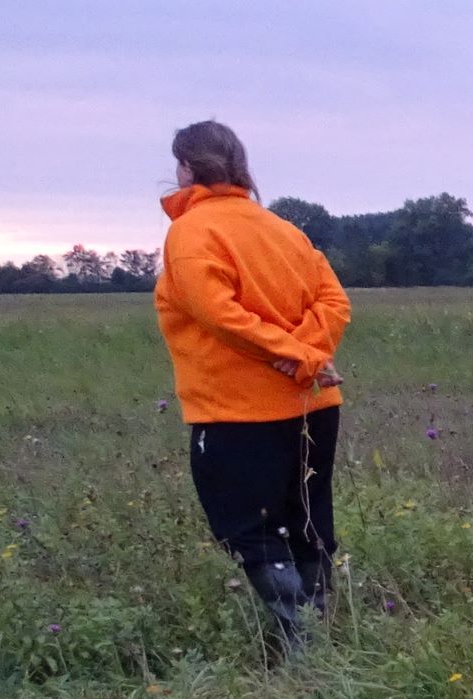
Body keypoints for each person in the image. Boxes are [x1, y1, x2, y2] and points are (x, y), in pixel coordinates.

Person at [154, 120, 350, 659]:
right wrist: (303, 358)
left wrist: (297, 358)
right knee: (307, 520)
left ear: (188, 168)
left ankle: (300, 648)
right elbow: (334, 304)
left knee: (251, 530)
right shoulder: (285, 230)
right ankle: (318, 639)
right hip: (314, 407)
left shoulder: (190, 234)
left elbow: (219, 317)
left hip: (235, 414)